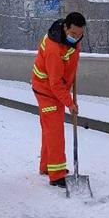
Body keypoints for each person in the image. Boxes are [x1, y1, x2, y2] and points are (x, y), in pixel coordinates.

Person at [30, 12, 86, 188]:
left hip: (55, 88)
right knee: (55, 132)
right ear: (65, 28)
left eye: (80, 34)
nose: (76, 37)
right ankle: (56, 175)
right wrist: (70, 103)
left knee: (49, 129)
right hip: (46, 90)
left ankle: (47, 166)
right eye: (73, 34)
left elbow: (70, 59)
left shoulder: (71, 40)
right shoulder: (54, 49)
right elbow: (55, 83)